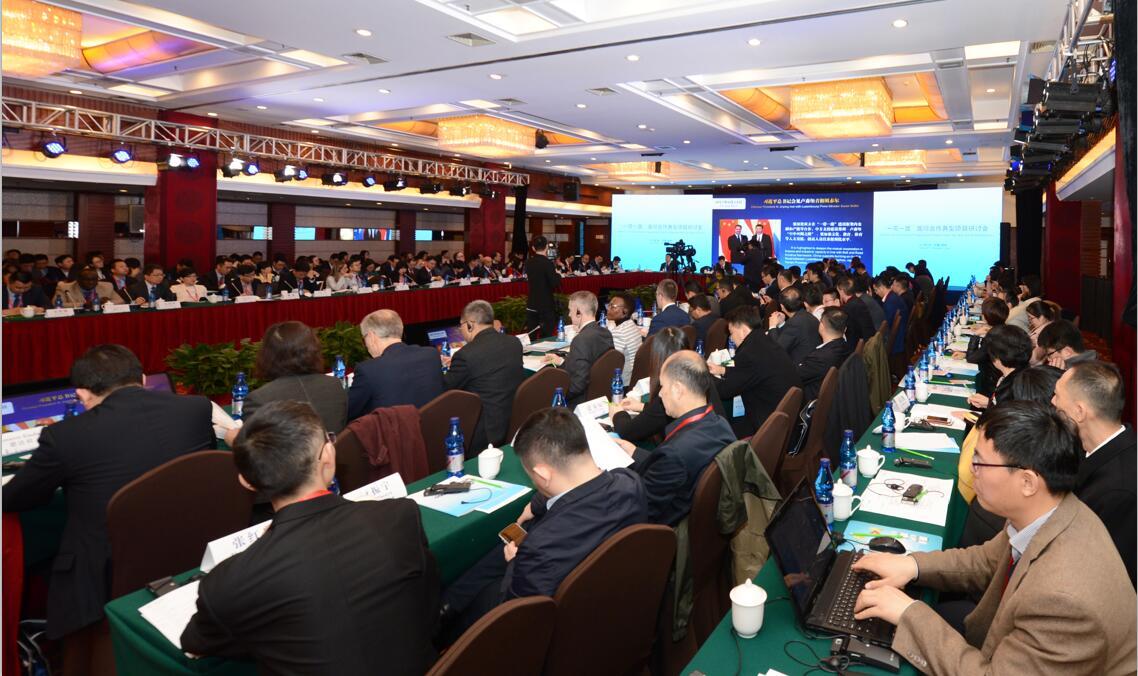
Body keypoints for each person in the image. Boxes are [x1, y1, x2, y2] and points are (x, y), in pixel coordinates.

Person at [851, 401, 1137, 675]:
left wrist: (908, 614)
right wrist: (912, 565)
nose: (971, 470)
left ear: (1027, 482)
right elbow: (986, 561)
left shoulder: (1063, 603)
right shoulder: (1046, 510)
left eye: (980, 462)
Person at [181, 401, 440, 675]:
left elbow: (195, 642)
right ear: (328, 454)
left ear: (247, 481)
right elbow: (429, 611)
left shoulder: (230, 581)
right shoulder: (399, 516)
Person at [3, 345, 213, 669]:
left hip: (103, 570)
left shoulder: (65, 436)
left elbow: (15, 499)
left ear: (82, 394)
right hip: (185, 550)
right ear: (143, 379)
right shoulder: (196, 409)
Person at [440, 407, 646, 633]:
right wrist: (539, 502)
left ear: (542, 474)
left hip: (561, 625)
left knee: (483, 595)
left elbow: (515, 617)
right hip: (618, 599)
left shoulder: (539, 547)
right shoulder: (630, 483)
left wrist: (515, 564)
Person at [616, 352, 735, 525]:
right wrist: (634, 452)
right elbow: (680, 468)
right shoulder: (719, 423)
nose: (660, 394)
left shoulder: (675, 453)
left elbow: (640, 509)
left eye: (663, 386)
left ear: (678, 389)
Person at [1050, 361, 1136, 585]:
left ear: (1079, 412)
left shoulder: (1120, 491)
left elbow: (1102, 573)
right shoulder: (1088, 448)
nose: (1052, 402)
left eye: (1057, 395)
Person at [613, 328, 728, 444]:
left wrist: (617, 413)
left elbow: (627, 432)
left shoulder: (671, 391)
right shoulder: (699, 375)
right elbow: (659, 414)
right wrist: (642, 406)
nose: (661, 393)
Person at [236, 322, 348, 439]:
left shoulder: (259, 399)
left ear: (268, 355)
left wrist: (234, 438)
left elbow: (254, 447)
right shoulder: (334, 385)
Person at [444, 301, 526, 450]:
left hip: (483, 435)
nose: (461, 330)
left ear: (470, 325)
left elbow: (446, 389)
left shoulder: (465, 355)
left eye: (461, 325)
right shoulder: (513, 343)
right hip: (515, 422)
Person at [709, 306, 801, 437]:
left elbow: (724, 390)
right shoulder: (763, 340)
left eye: (731, 333)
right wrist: (723, 370)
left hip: (769, 428)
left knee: (719, 431)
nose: (731, 338)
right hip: (787, 419)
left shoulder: (749, 353)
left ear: (743, 331)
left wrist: (704, 375)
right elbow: (751, 372)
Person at [348, 310, 445, 420]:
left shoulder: (368, 370)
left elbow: (347, 412)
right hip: (435, 426)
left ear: (371, 336)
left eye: (364, 338)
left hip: (394, 430)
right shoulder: (431, 355)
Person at [548, 291, 613, 406]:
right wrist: (562, 361)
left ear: (578, 312)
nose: (569, 315)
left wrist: (558, 397)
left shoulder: (580, 340)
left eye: (570, 310)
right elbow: (591, 364)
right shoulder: (606, 333)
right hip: (601, 397)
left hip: (580, 403)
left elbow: (578, 385)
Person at [966, 324, 1033, 411]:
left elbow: (1010, 415)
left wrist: (991, 405)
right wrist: (989, 404)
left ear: (996, 356)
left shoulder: (1016, 387)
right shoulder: (1021, 374)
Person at [796, 307, 850, 401]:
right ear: (845, 329)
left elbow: (795, 376)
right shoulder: (846, 347)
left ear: (821, 326)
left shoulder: (819, 358)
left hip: (810, 400)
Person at [767, 285, 821, 364]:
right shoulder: (808, 316)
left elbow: (777, 350)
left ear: (782, 306)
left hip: (799, 366)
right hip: (812, 361)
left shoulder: (795, 323)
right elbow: (788, 338)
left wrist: (772, 326)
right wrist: (782, 324)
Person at [525, 236, 560, 338]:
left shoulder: (528, 262)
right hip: (546, 304)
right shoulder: (548, 263)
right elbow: (554, 283)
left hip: (532, 302)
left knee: (532, 334)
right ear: (547, 247)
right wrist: (557, 275)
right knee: (547, 335)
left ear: (533, 248)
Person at [606, 292, 643, 387]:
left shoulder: (619, 332)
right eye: (609, 305)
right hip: (634, 377)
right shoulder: (632, 325)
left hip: (623, 383)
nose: (608, 309)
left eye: (613, 306)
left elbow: (611, 362)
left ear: (625, 311)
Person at [872, 273, 908, 355]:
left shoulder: (890, 302)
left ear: (881, 288)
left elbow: (886, 325)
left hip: (896, 342)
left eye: (876, 290)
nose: (876, 293)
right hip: (900, 336)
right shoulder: (892, 297)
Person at [51, 268, 118, 310]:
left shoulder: (107, 286)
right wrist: (83, 304)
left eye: (94, 279)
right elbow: (55, 304)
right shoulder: (64, 287)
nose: (91, 282)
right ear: (78, 280)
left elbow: (120, 300)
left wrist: (106, 303)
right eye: (87, 280)